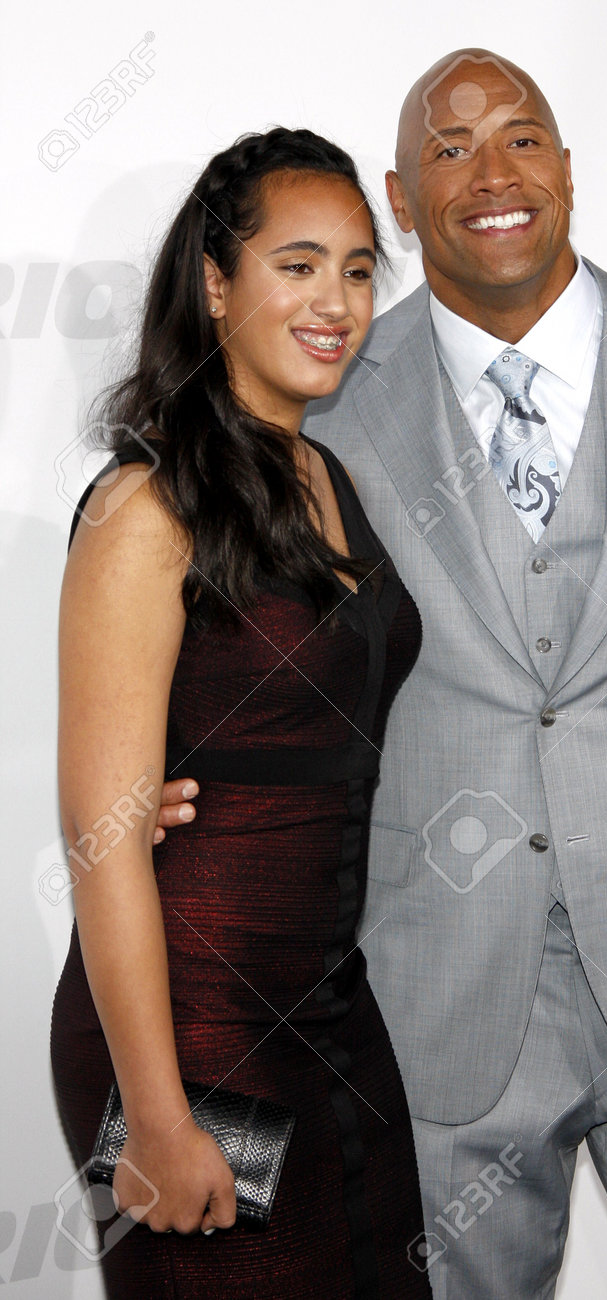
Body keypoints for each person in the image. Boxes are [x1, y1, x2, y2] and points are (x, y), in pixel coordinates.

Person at [159, 50, 607, 1299]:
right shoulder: (321, 405)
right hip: (432, 1011)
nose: (492, 172)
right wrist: (170, 783)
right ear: (400, 194)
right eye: (448, 147)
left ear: (568, 169)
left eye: (522, 138)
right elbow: (239, 645)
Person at [50, 127, 432, 1299]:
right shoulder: (144, 506)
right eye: (299, 263)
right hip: (192, 1032)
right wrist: (157, 1119)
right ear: (216, 283)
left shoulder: (333, 481)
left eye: (360, 269)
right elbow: (104, 843)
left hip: (334, 1014)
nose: (337, 301)